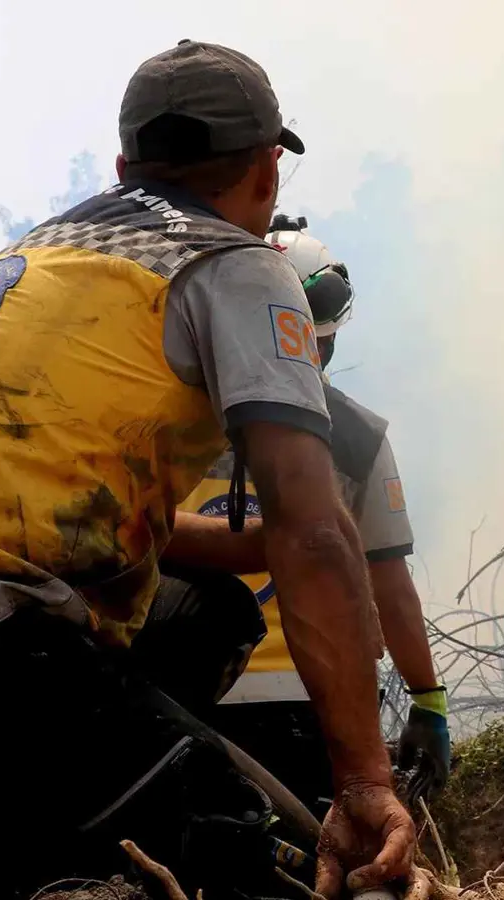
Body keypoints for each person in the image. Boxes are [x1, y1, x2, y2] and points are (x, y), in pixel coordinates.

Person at [0, 40, 413, 900]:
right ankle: (20, 838)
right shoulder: (238, 265)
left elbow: (125, 528)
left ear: (126, 164)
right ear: (268, 170)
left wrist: (264, 546)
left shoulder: (40, 257)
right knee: (232, 860)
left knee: (207, 612)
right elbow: (312, 528)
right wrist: (365, 782)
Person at [167, 216, 450, 821]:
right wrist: (427, 699)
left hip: (182, 689)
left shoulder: (165, 415)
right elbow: (389, 586)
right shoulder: (356, 435)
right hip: (320, 704)